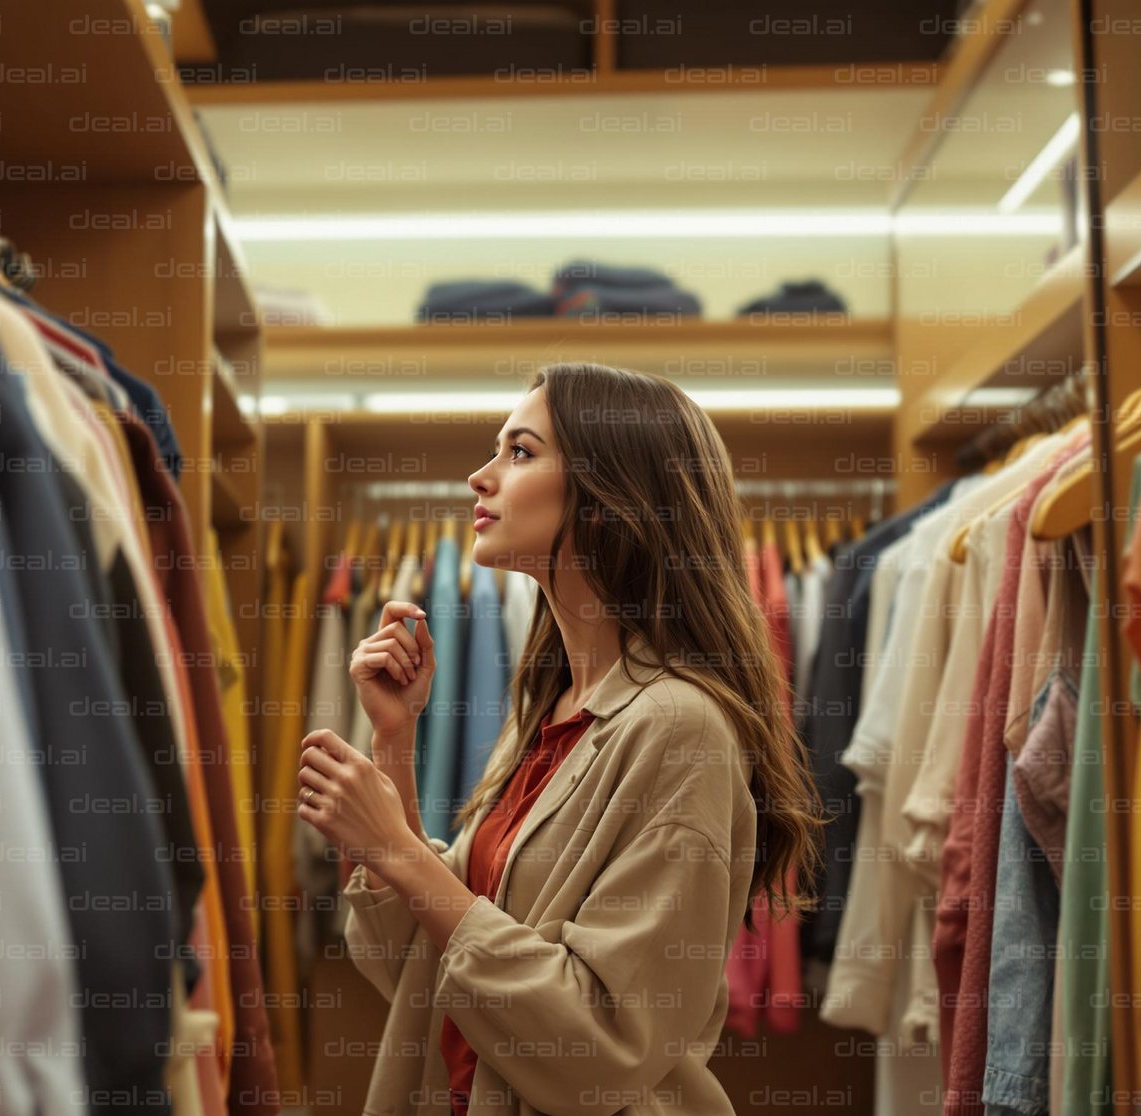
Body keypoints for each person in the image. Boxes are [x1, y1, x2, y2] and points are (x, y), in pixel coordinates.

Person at [296, 362, 824, 1116]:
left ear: (612, 494)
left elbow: (597, 1049)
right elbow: (415, 972)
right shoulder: (550, 712)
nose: (480, 477)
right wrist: (393, 742)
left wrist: (401, 853)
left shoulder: (680, 730)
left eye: (519, 452)